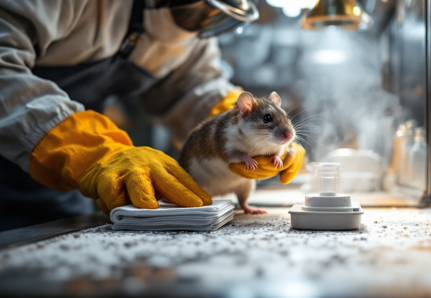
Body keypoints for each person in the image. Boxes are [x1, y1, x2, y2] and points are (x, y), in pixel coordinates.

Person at [0, 0, 305, 231]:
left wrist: (242, 130)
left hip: (63, 189)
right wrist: (88, 149)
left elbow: (193, 88)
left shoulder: (198, 22)